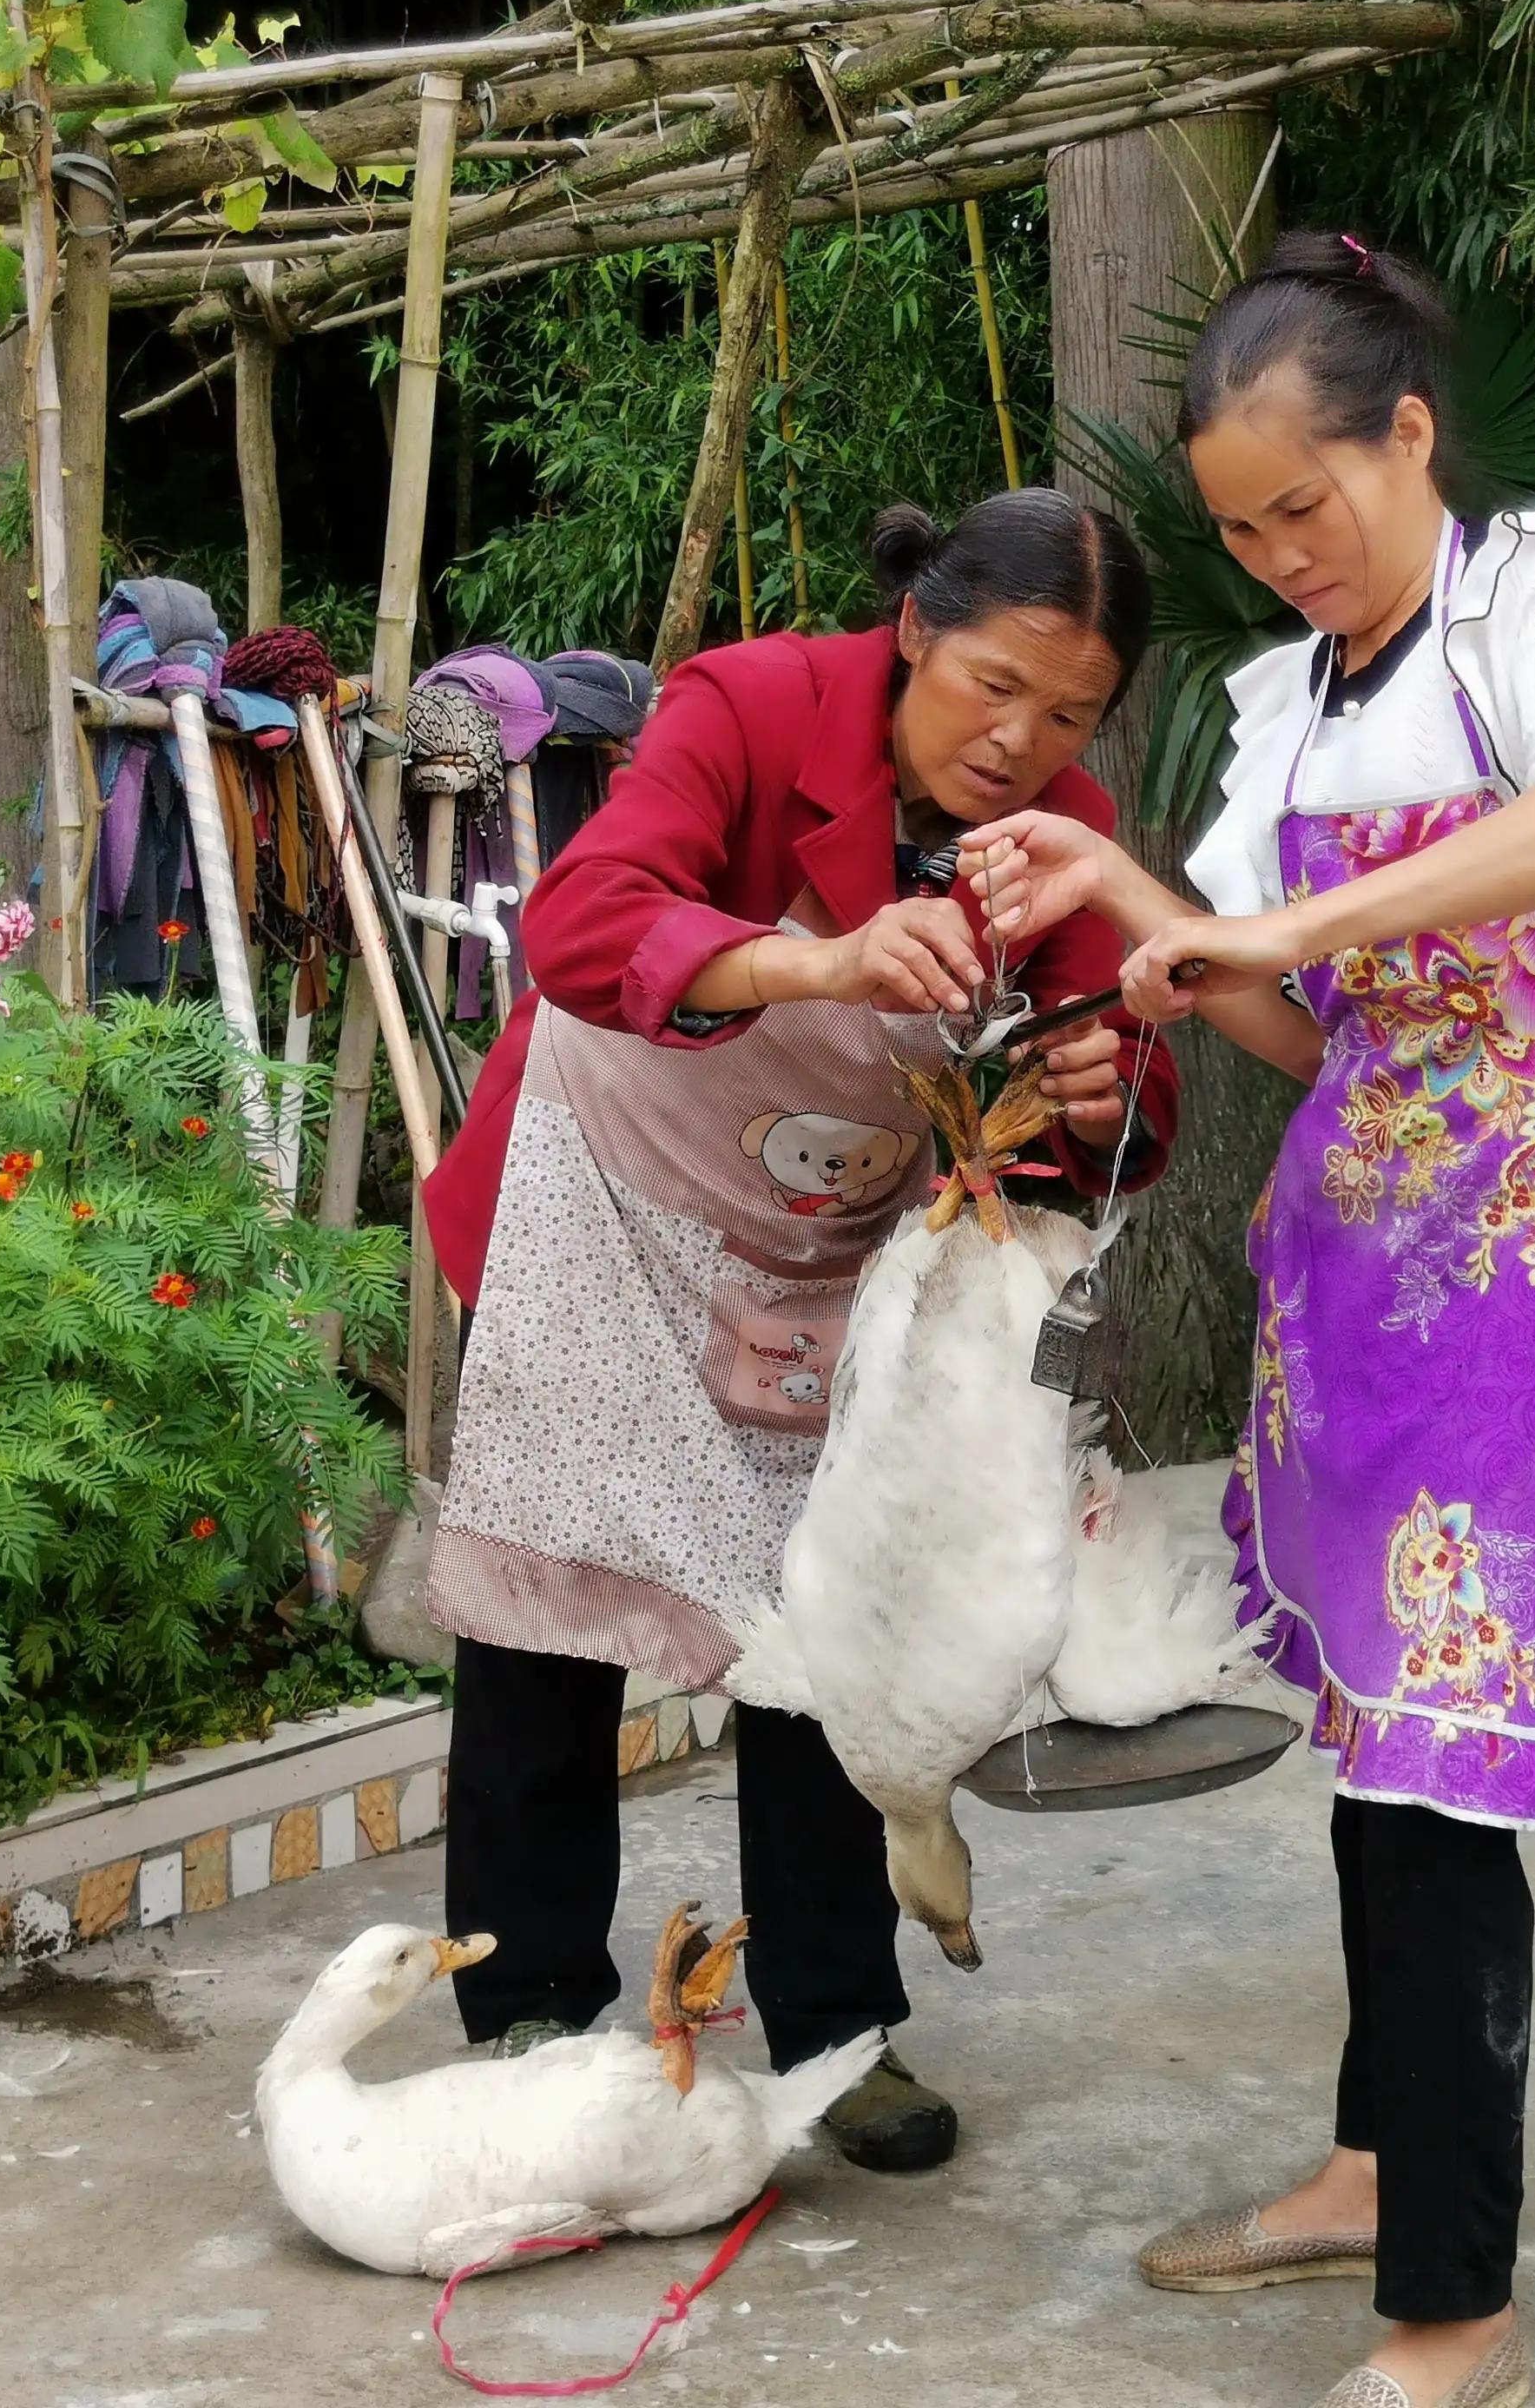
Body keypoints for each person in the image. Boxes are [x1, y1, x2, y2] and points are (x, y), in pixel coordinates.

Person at [969, 234, 1535, 2408]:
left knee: (1450, 1760)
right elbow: (1294, 1024)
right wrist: (1134, 910)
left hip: (1526, 1251)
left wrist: (1293, 908)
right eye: (1242, 530)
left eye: (1311, 505)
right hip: (1352, 1264)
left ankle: (1453, 2317)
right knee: (1377, 1748)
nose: (1281, 557)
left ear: (1407, 438)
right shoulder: (1297, 707)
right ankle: (1382, 2167)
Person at [418, 490, 1181, 2174]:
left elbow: (1133, 1098)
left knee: (829, 1629)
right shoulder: (750, 704)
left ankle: (840, 2028)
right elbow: (583, 922)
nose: (1018, 742)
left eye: (1065, 713)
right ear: (914, 628)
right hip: (604, 1214)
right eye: (991, 683)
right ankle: (530, 2018)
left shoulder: (1064, 832)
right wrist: (813, 963)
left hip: (834, 1251)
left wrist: (1088, 1083)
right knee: (548, 1619)